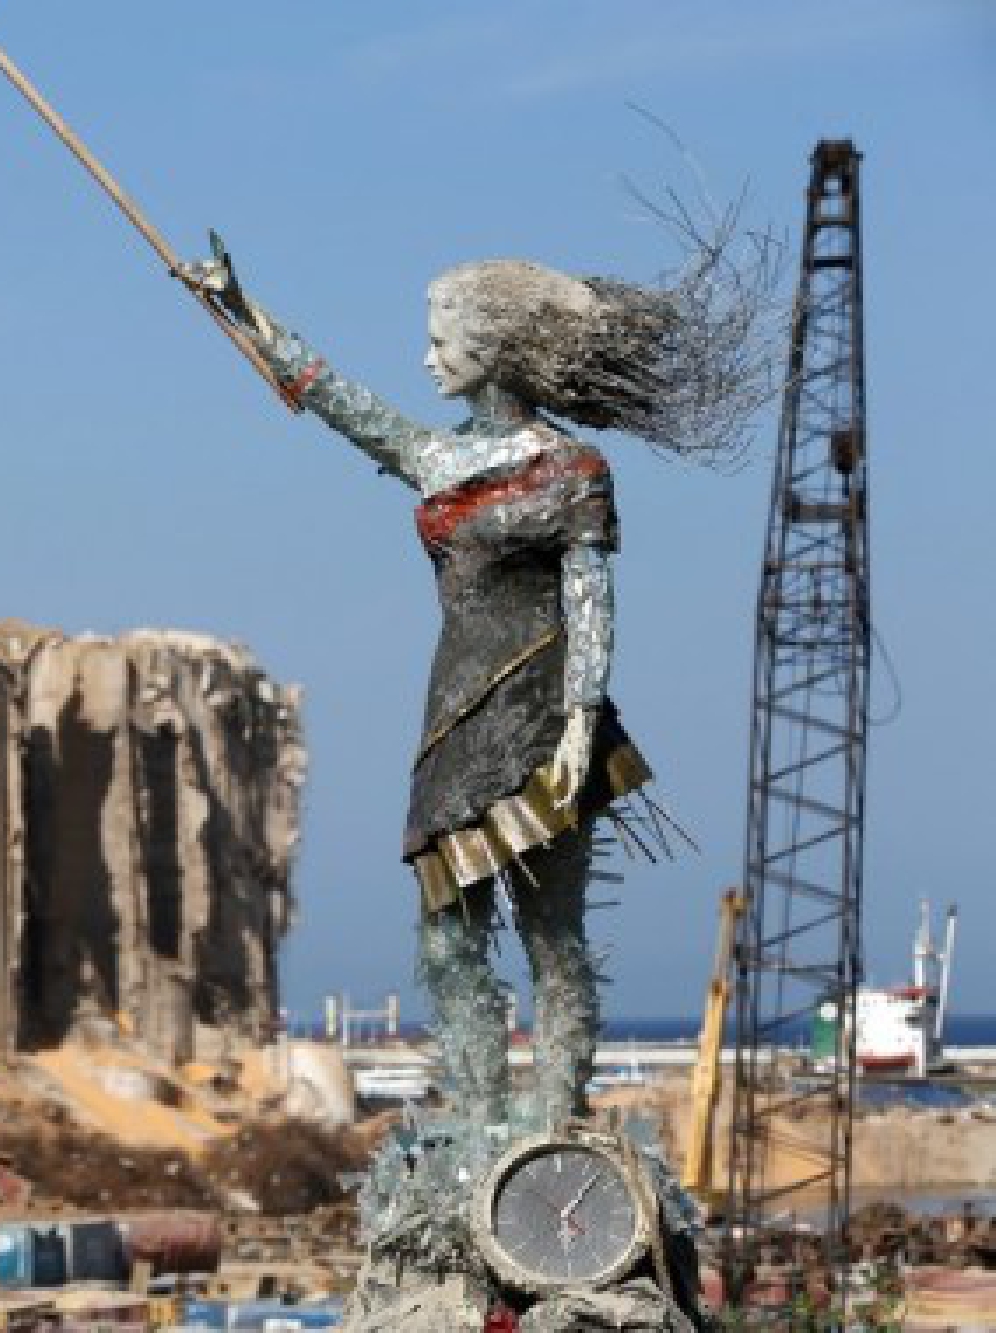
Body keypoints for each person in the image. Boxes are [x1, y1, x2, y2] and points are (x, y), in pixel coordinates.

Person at [185, 249, 693, 1130]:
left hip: (543, 714)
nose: (426, 360)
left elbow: (590, 598)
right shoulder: (433, 456)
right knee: (448, 937)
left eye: (439, 341)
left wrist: (580, 720)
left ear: (492, 349)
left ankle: (550, 1127)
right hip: (454, 719)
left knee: (551, 935)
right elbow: (330, 396)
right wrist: (239, 308)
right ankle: (483, 1124)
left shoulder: (575, 469)